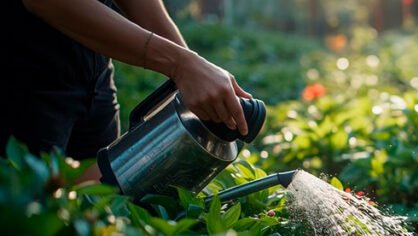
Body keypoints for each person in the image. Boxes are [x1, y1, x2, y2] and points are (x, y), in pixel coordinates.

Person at [0, 0, 250, 178]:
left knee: (99, 210)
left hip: (94, 72)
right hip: (22, 74)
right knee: (28, 221)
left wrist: (191, 69)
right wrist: (179, 64)